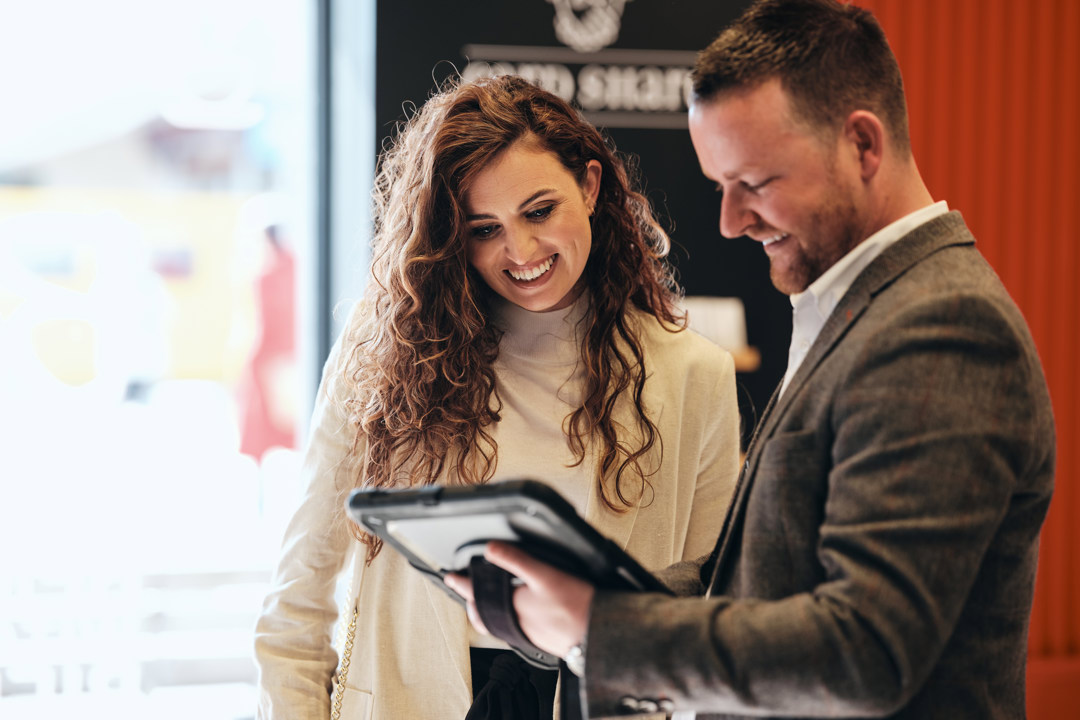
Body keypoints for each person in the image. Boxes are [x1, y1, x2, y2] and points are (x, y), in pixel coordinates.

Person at [447, 1, 1056, 718]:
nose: (732, 222)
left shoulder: (944, 327)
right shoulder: (860, 306)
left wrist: (597, 625)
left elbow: (865, 651)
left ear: (863, 145)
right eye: (720, 188)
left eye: (757, 184)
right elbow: (762, 581)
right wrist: (572, 597)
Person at [254, 74, 741, 720]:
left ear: (591, 187)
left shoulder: (693, 375)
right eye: (484, 229)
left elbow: (710, 623)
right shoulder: (388, 351)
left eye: (540, 211)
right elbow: (295, 606)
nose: (522, 251)